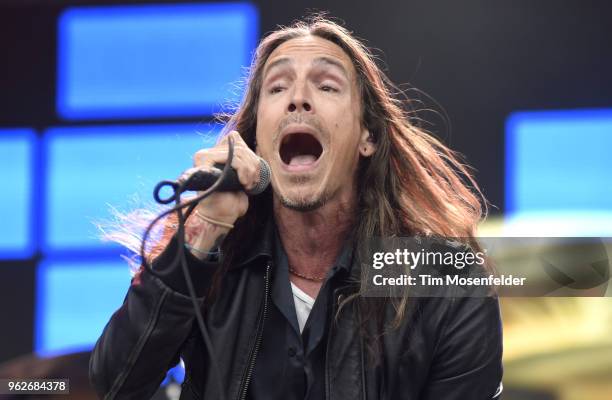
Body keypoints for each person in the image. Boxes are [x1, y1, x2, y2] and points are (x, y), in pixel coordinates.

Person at [90, 16, 503, 400]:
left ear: (367, 138)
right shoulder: (214, 261)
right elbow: (116, 385)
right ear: (256, 139)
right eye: (277, 87)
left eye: (326, 86)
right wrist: (202, 231)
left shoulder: (445, 279)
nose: (298, 99)